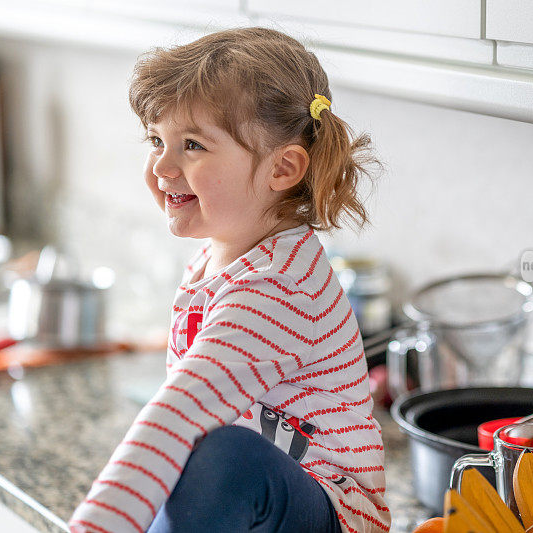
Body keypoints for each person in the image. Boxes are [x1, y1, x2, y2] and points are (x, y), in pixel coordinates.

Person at [68, 27, 390, 533]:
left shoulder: (278, 288)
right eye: (157, 140)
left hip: (332, 514)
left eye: (192, 145)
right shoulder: (218, 257)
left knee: (224, 456)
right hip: (261, 511)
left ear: (282, 168)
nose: (162, 166)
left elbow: (176, 416)